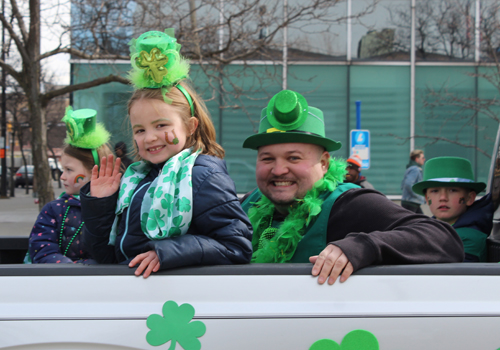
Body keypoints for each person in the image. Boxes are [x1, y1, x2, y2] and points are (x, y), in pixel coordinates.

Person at [240, 90, 464, 285]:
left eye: (294, 158)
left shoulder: (350, 204)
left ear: (324, 163)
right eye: (267, 159)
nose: (278, 170)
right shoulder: (246, 205)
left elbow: (444, 240)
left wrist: (362, 247)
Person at [81, 29, 252, 278]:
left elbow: (236, 246)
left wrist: (165, 252)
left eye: (161, 125)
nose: (149, 137)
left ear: (191, 127)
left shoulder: (203, 176)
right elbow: (107, 255)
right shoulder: (136, 180)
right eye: (140, 130)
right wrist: (101, 204)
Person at [28, 107, 113, 264]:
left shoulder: (116, 207)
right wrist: (71, 270)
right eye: (62, 169)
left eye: (69, 170)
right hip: (63, 282)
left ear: (95, 171)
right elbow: (42, 249)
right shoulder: (54, 210)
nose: (62, 176)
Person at [412, 156, 494, 262]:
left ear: (470, 198)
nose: (443, 198)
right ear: (427, 199)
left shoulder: (468, 237)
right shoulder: (427, 228)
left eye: (453, 190)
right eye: (435, 191)